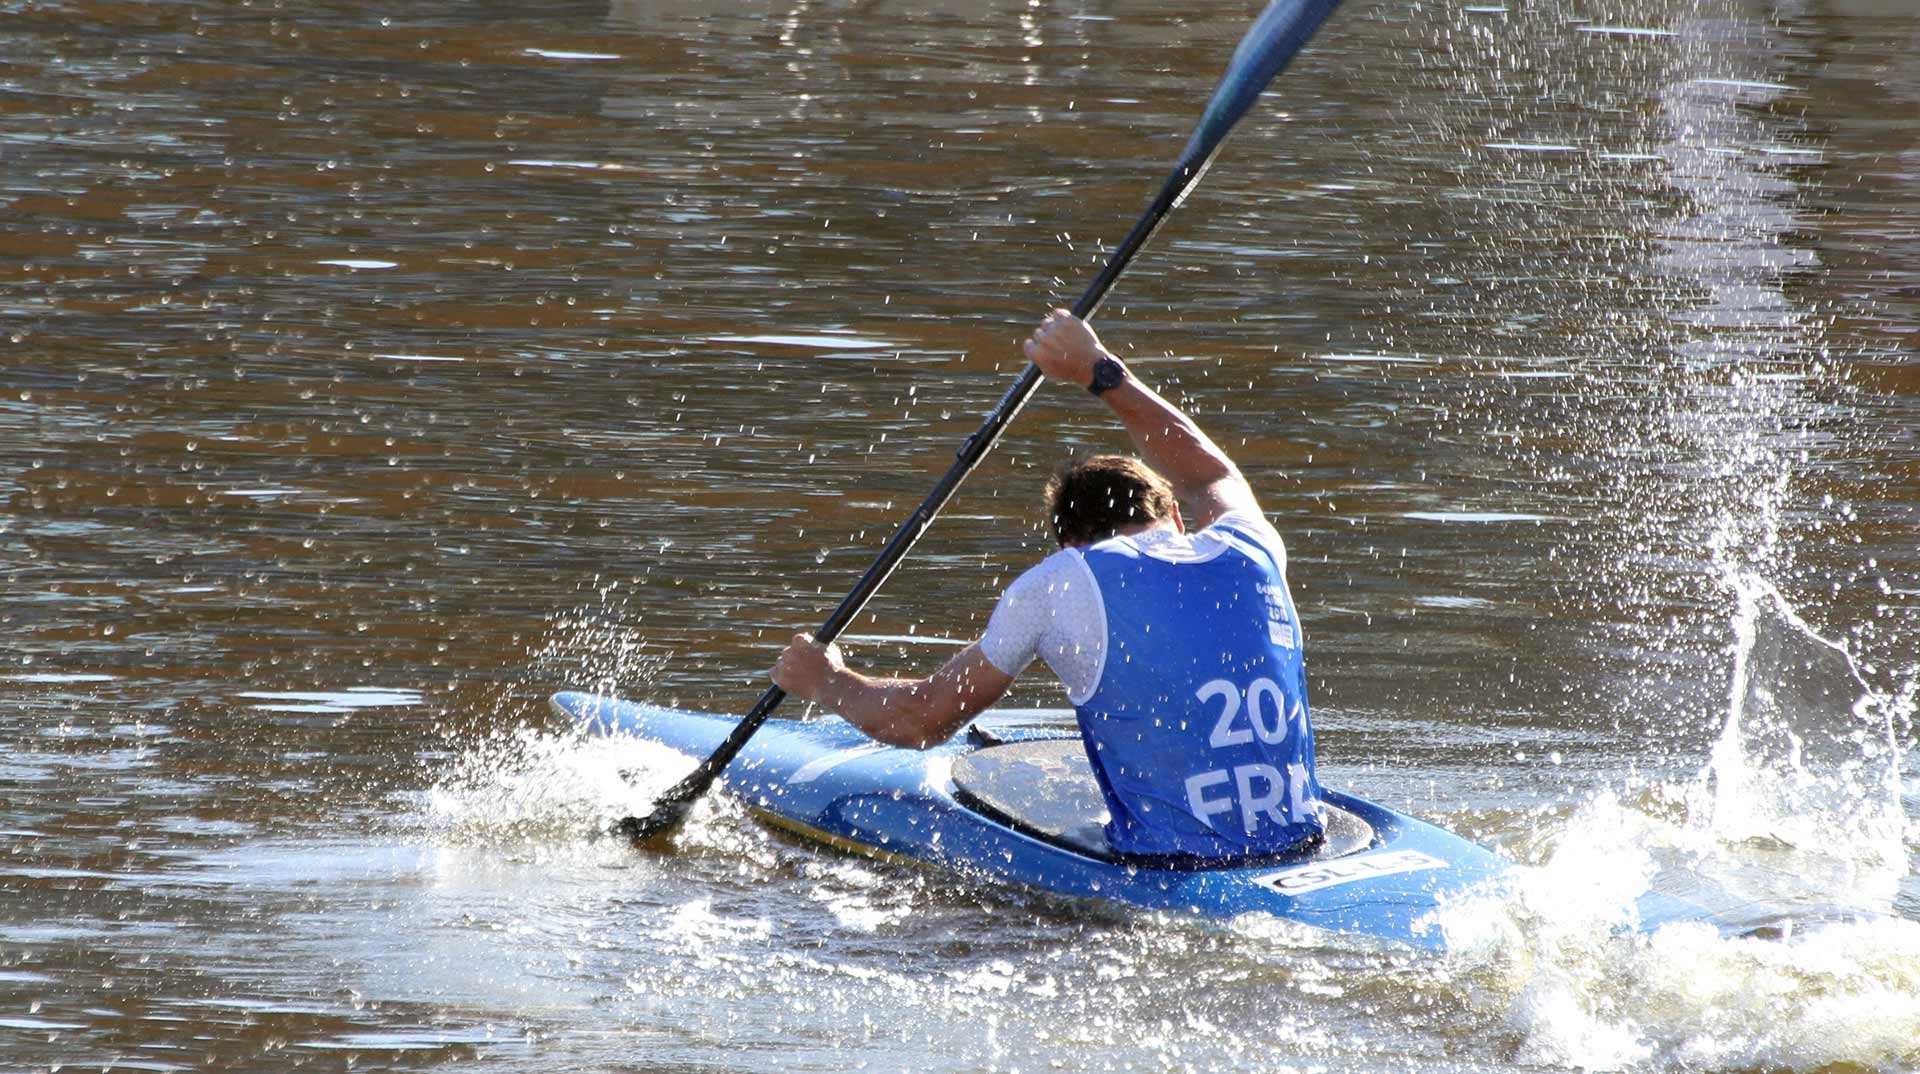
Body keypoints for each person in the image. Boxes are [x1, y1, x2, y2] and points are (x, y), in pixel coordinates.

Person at [772, 309, 1323, 864]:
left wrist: (826, 681)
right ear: (1177, 518)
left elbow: (921, 719)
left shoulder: (1062, 581)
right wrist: (1099, 371)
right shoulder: (1252, 545)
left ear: (1068, 544)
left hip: (1169, 865)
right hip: (1302, 842)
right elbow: (1211, 474)